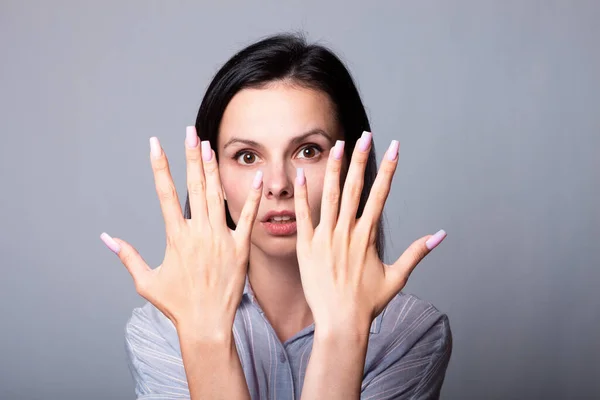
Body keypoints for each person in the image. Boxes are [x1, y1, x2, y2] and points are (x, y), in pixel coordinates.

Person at [100, 32, 451, 399]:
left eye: (308, 151)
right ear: (212, 173)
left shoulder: (412, 332)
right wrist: (204, 335)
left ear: (349, 166)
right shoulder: (159, 332)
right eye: (247, 156)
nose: (279, 184)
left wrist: (343, 333)